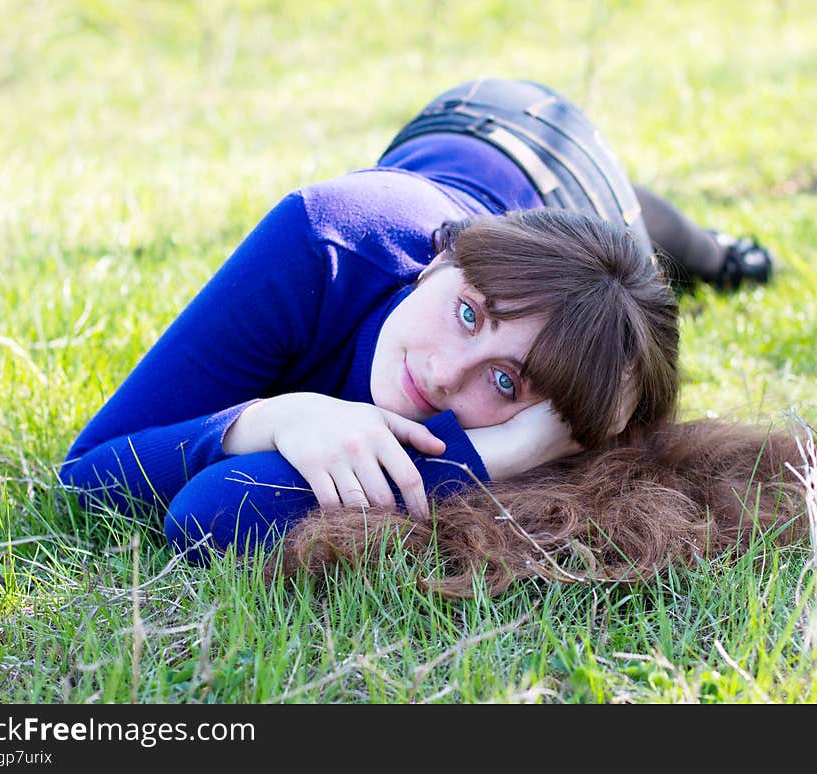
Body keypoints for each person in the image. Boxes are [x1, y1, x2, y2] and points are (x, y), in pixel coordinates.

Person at [59, 79, 801, 594]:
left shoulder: (542, 411)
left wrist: (502, 453)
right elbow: (84, 477)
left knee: (646, 267)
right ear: (443, 259)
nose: (448, 375)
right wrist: (275, 419)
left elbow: (212, 515)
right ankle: (688, 244)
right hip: (499, 129)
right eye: (470, 314)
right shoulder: (326, 240)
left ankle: (703, 254)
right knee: (624, 237)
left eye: (507, 382)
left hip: (578, 250)